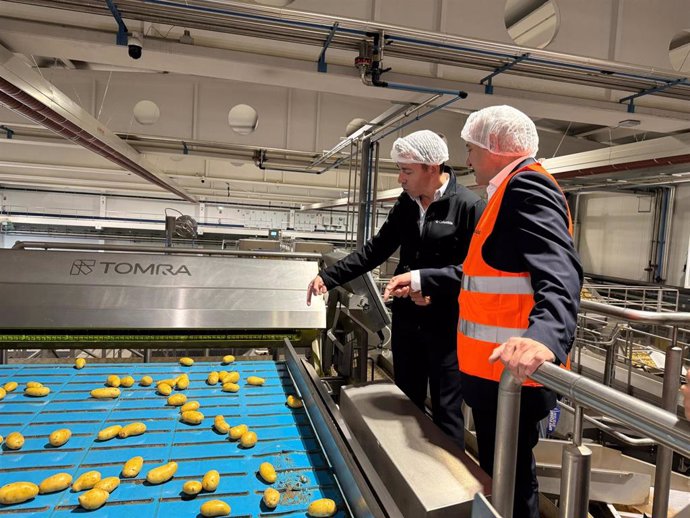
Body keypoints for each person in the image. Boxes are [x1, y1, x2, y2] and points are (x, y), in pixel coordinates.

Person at [385, 106, 583, 517]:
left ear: (495, 148)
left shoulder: (527, 187)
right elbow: (479, 275)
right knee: (501, 476)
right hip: (493, 374)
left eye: (471, 148)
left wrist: (544, 337)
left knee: (511, 482)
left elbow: (561, 271)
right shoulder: (503, 192)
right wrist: (425, 280)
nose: (468, 158)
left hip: (511, 375)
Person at [307, 129, 485, 448]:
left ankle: (449, 487)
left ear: (432, 168)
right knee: (407, 401)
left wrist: (423, 280)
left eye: (407, 171)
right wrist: (330, 276)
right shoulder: (406, 204)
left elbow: (475, 272)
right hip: (407, 322)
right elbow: (376, 249)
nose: (400, 179)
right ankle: (407, 474)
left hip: (447, 325)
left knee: (447, 410)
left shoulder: (468, 207)